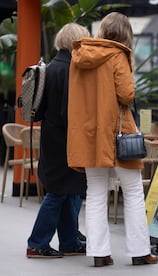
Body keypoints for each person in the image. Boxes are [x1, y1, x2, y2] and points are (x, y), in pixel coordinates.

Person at [67, 12, 158, 267]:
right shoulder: (118, 55)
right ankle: (140, 251)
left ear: (103, 30)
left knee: (95, 193)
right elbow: (127, 95)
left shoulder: (79, 56)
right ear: (126, 34)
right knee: (132, 192)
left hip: (89, 136)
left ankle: (99, 253)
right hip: (118, 135)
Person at [26, 23, 89, 258]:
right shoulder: (71, 70)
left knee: (67, 190)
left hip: (51, 138)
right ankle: (37, 243)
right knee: (58, 192)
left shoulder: (52, 67)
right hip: (66, 140)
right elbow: (68, 112)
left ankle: (70, 241)